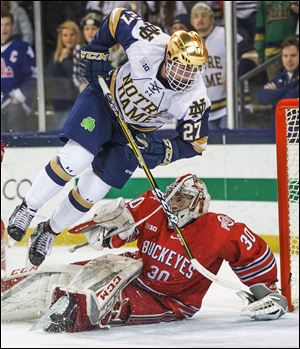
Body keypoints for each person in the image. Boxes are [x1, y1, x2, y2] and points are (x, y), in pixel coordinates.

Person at [7, 9, 211, 268]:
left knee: (93, 190)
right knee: (74, 160)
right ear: (168, 56)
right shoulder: (149, 43)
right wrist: (97, 49)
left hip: (135, 134)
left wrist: (160, 150)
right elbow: (117, 18)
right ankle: (27, 209)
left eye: (192, 71)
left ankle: (48, 231)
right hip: (105, 101)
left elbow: (195, 143)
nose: (186, 77)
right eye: (181, 68)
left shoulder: (196, 98)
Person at [1, 174, 288, 332]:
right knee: (70, 271)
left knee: (115, 301)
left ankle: (76, 311)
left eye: (183, 198)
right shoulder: (154, 205)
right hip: (137, 272)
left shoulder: (219, 229)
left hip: (171, 300)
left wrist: (269, 292)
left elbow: (255, 253)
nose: (174, 202)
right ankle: (16, 283)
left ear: (199, 203)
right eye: (173, 194)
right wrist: (114, 231)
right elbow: (114, 237)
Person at [190, 2, 257, 129]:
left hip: (231, 105)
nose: (200, 19)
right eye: (196, 16)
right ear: (191, 21)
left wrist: (234, 73)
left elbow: (251, 55)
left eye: (204, 15)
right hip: (205, 108)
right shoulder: (189, 43)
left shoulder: (226, 34)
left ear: (212, 19)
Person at [1, 11, 37, 132]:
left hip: (14, 103)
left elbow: (34, 76)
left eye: (7, 24)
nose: (3, 29)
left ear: (12, 26)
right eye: (0, 25)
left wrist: (20, 94)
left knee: (14, 115)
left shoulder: (22, 47)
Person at [257, 39, 299, 109]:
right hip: (278, 119)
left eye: (293, 55)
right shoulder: (280, 75)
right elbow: (261, 96)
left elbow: (291, 97)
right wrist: (286, 91)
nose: (289, 60)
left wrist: (275, 92)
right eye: (285, 56)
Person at [73, 12, 103, 92]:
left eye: (93, 28)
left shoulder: (108, 48)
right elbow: (77, 74)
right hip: (86, 90)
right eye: (87, 29)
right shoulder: (79, 49)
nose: (90, 32)